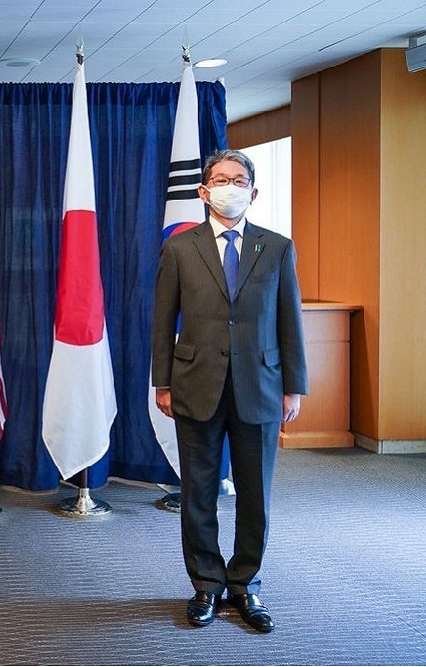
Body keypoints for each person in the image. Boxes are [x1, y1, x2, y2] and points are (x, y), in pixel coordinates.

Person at [151, 149, 307, 633]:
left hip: (261, 386)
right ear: (204, 191)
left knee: (255, 495)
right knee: (198, 492)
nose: (230, 187)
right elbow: (162, 320)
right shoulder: (180, 248)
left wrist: (294, 387)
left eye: (239, 180)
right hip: (196, 384)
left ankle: (245, 583)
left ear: (253, 192)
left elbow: (290, 321)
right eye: (220, 179)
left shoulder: (278, 248)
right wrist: (162, 381)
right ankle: (206, 584)